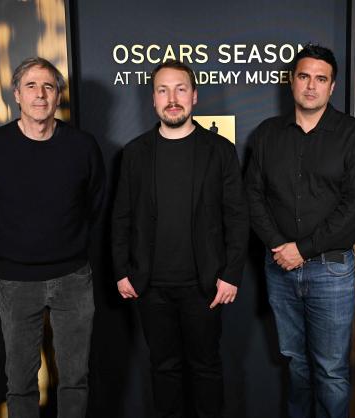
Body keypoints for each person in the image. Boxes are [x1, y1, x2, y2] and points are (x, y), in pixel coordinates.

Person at [111, 59, 249, 418]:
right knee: (163, 369)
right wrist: (121, 270)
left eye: (180, 89)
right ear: (153, 100)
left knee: (206, 369)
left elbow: (237, 216)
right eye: (163, 90)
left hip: (205, 286)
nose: (172, 98)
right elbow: (121, 216)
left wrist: (232, 273)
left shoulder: (219, 150)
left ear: (195, 96)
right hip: (151, 286)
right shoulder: (135, 153)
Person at [0, 57, 105, 418]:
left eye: (48, 86)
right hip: (16, 280)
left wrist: (70, 242)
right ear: (16, 94)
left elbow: (95, 204)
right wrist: (13, 244)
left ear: (58, 93)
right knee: (20, 380)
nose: (40, 94)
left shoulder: (83, 146)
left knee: (75, 377)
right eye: (31, 86)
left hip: (74, 277)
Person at [245, 44, 355, 418]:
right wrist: (278, 246)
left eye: (321, 79)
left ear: (332, 87)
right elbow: (253, 196)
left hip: (331, 270)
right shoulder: (268, 134)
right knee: (297, 366)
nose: (311, 86)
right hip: (279, 270)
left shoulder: (352, 133)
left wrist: (301, 249)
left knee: (330, 371)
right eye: (304, 77)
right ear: (292, 82)